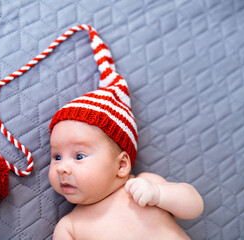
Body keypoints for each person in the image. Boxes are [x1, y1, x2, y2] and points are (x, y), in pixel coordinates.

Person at [47, 25, 204, 239]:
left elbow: (195, 206)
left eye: (79, 156)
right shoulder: (69, 227)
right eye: (56, 156)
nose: (62, 168)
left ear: (121, 165)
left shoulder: (145, 185)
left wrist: (158, 194)